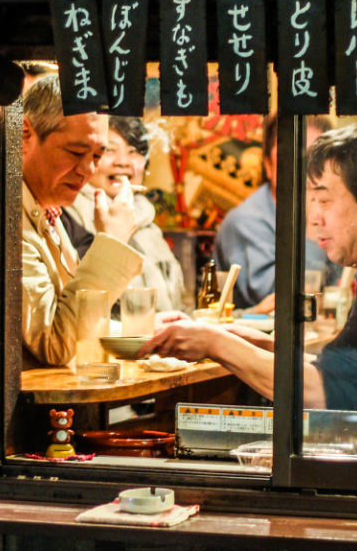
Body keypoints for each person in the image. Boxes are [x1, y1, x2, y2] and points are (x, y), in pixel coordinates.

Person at [140, 121, 357, 415]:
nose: (314, 217)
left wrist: (215, 343)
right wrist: (252, 340)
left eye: (324, 200)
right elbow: (348, 373)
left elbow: (321, 392)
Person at [21, 73, 143, 367]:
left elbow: (74, 320)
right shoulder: (11, 222)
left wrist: (147, 331)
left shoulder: (47, 209)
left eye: (98, 155)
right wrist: (111, 243)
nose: (88, 169)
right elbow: (56, 344)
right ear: (26, 135)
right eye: (76, 152)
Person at [61, 115, 187, 313]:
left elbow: (174, 308)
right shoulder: (65, 218)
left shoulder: (148, 225)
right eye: (109, 150)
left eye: (134, 151)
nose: (123, 162)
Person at [215, 113, 339, 311]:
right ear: (269, 166)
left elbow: (345, 287)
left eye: (314, 158)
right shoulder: (248, 221)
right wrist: (313, 220)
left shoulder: (335, 210)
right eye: (290, 156)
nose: (303, 168)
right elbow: (282, 302)